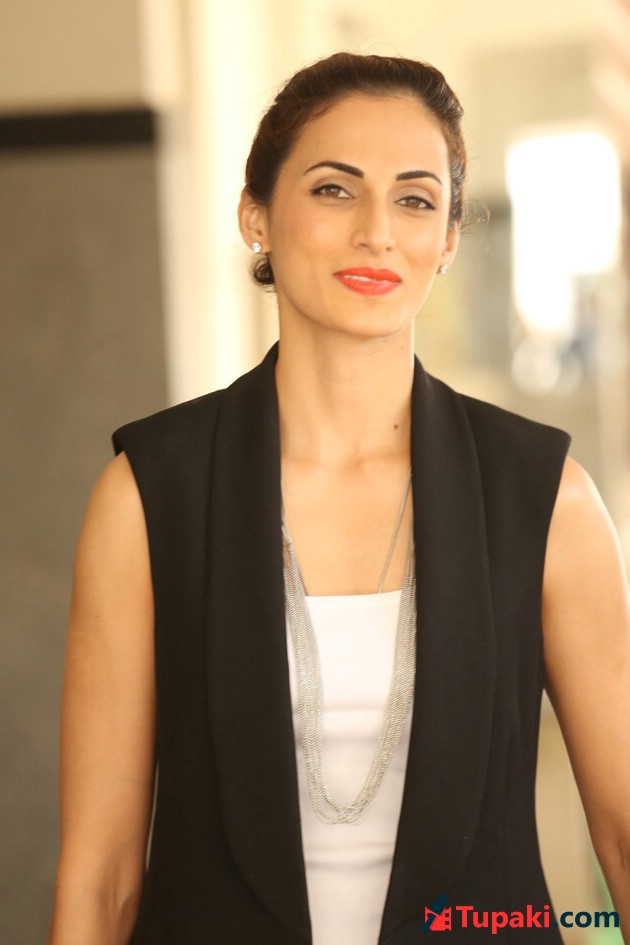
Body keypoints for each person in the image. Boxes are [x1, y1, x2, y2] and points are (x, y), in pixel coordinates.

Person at [47, 52, 630, 945]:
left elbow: (623, 833)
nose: (376, 232)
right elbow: (101, 880)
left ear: (449, 238)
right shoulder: (150, 494)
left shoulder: (547, 497)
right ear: (256, 216)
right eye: (333, 189)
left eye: (415, 199)